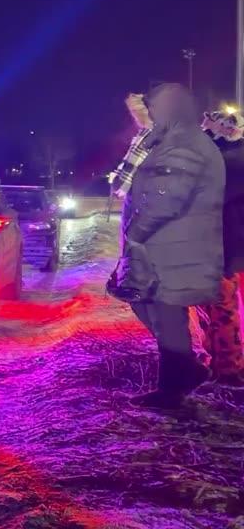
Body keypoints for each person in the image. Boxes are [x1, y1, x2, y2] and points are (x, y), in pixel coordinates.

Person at [112, 84, 225, 408]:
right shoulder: (154, 139)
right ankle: (182, 372)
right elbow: (123, 185)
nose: (139, 119)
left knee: (163, 309)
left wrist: (139, 233)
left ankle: (175, 385)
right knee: (150, 305)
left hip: (167, 241)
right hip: (158, 240)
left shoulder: (175, 142)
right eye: (134, 113)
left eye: (144, 111)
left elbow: (164, 196)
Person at [196, 110, 244, 385]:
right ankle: (217, 362)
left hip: (224, 248)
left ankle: (229, 370)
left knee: (222, 307)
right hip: (214, 246)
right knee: (211, 307)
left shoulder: (234, 158)